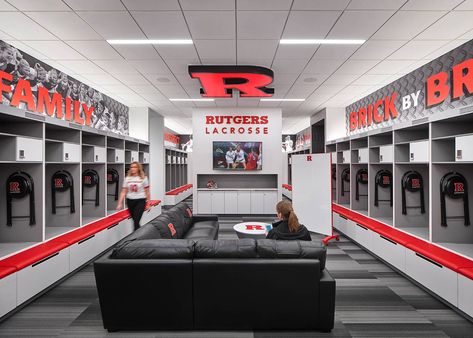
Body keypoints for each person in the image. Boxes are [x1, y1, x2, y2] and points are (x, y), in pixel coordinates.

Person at [116, 162, 150, 231]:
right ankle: (140, 234)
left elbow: (147, 192)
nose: (132, 169)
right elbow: (123, 191)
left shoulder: (144, 178)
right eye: (131, 167)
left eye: (135, 167)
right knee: (135, 221)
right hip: (130, 201)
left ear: (138, 168)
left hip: (140, 201)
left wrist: (148, 203)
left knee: (136, 221)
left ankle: (135, 238)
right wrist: (120, 203)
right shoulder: (127, 178)